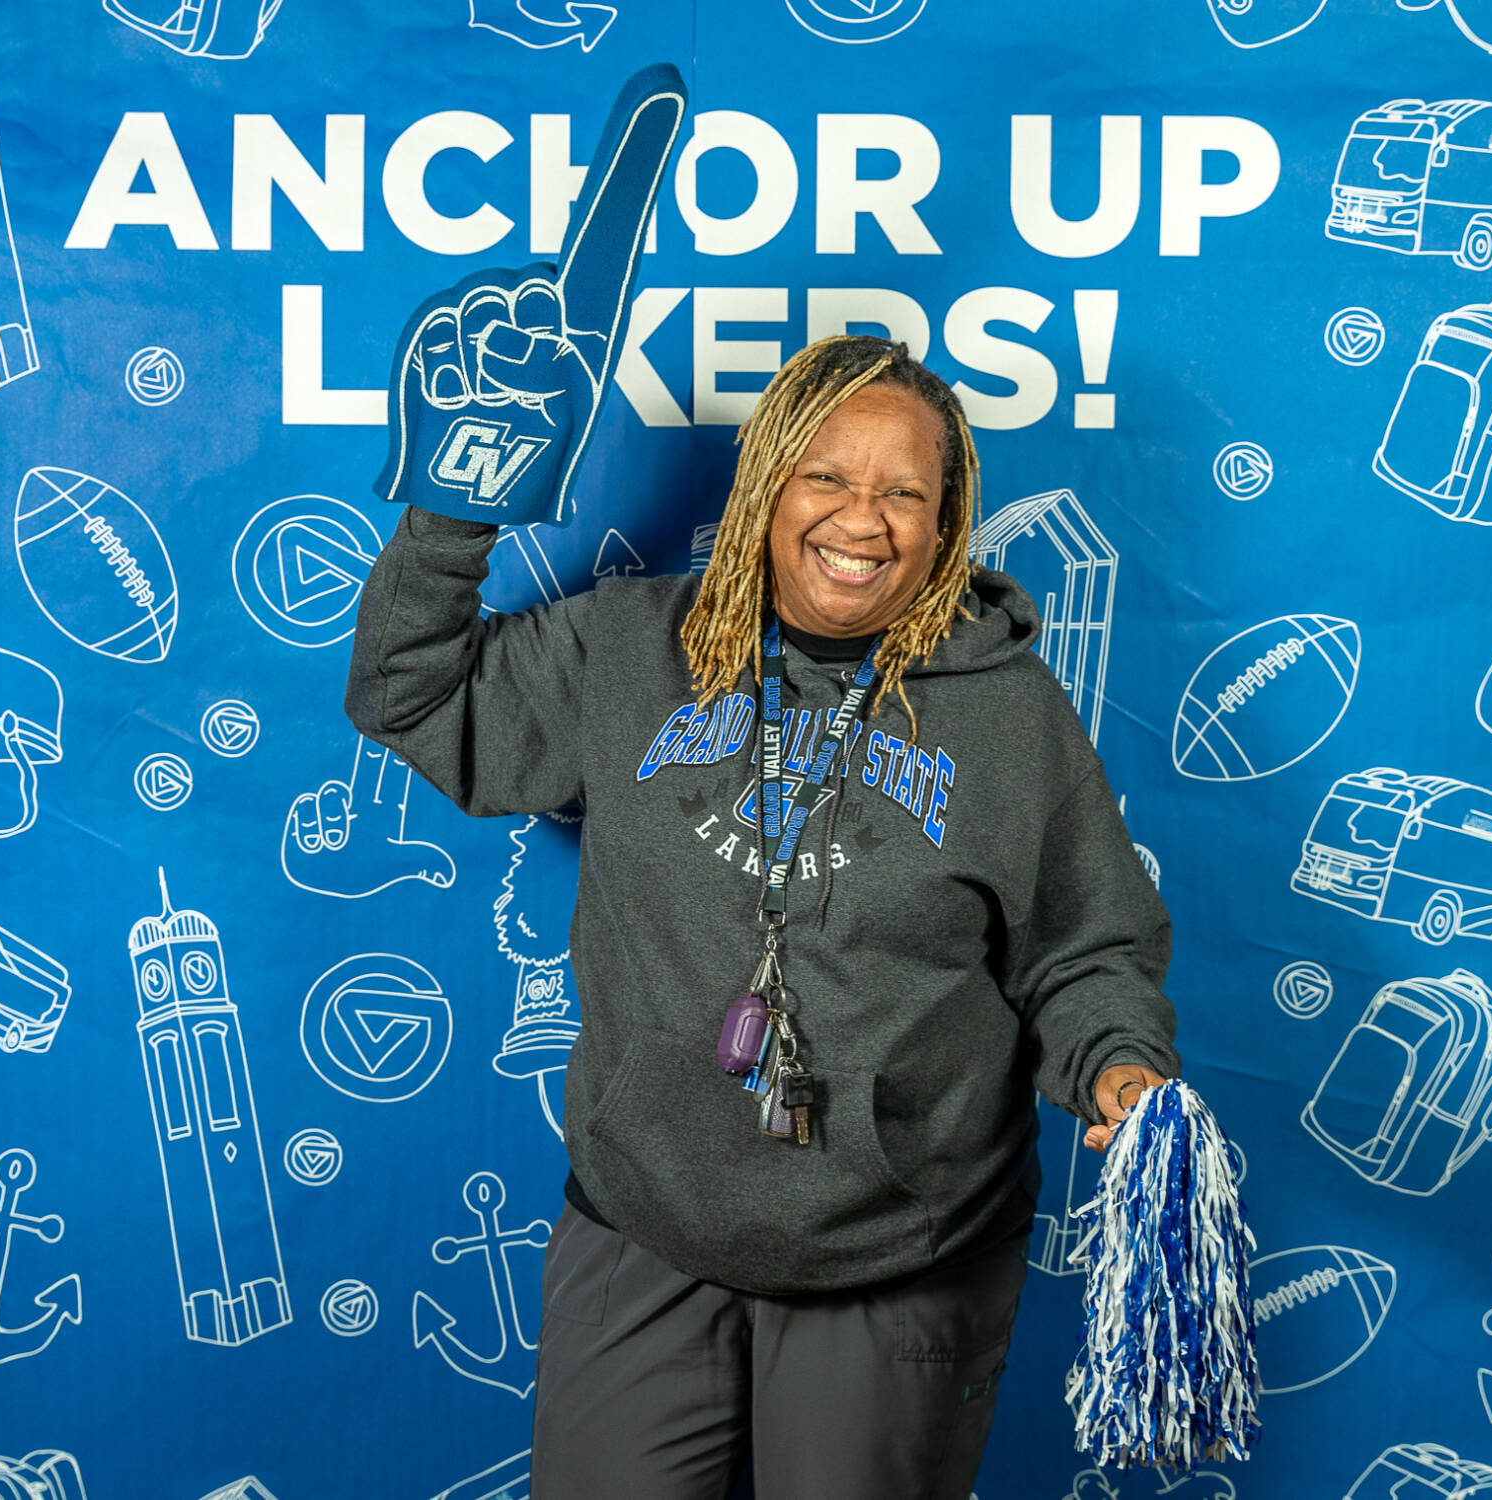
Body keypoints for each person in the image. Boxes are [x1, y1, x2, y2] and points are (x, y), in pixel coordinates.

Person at [347, 332, 1178, 1498]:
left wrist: (1119, 1069)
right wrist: (452, 508)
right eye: (826, 476)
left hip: (896, 1257)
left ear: (944, 521)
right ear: (763, 484)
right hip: (643, 1231)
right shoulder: (631, 645)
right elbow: (412, 696)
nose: (862, 518)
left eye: (904, 492)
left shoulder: (1004, 713)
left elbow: (1083, 950)